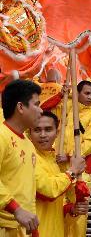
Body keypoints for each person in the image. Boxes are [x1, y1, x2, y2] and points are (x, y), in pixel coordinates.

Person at [30, 111, 88, 235]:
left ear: (57, 133)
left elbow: (58, 209)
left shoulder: (54, 162)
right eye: (37, 130)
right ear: (29, 133)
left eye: (48, 129)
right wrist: (72, 171)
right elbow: (48, 190)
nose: (43, 135)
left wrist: (72, 210)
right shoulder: (28, 157)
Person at [61, 80, 91, 237]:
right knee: (61, 209)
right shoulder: (69, 111)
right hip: (61, 168)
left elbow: (90, 145)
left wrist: (67, 155)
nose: (90, 97)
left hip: (82, 170)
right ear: (77, 93)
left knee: (78, 211)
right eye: (86, 93)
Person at [0, 79, 42, 235]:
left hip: (22, 229)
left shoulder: (29, 144)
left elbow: (27, 190)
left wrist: (33, 228)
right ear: (20, 107)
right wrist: (15, 209)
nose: (41, 110)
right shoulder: (2, 136)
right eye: (37, 104)